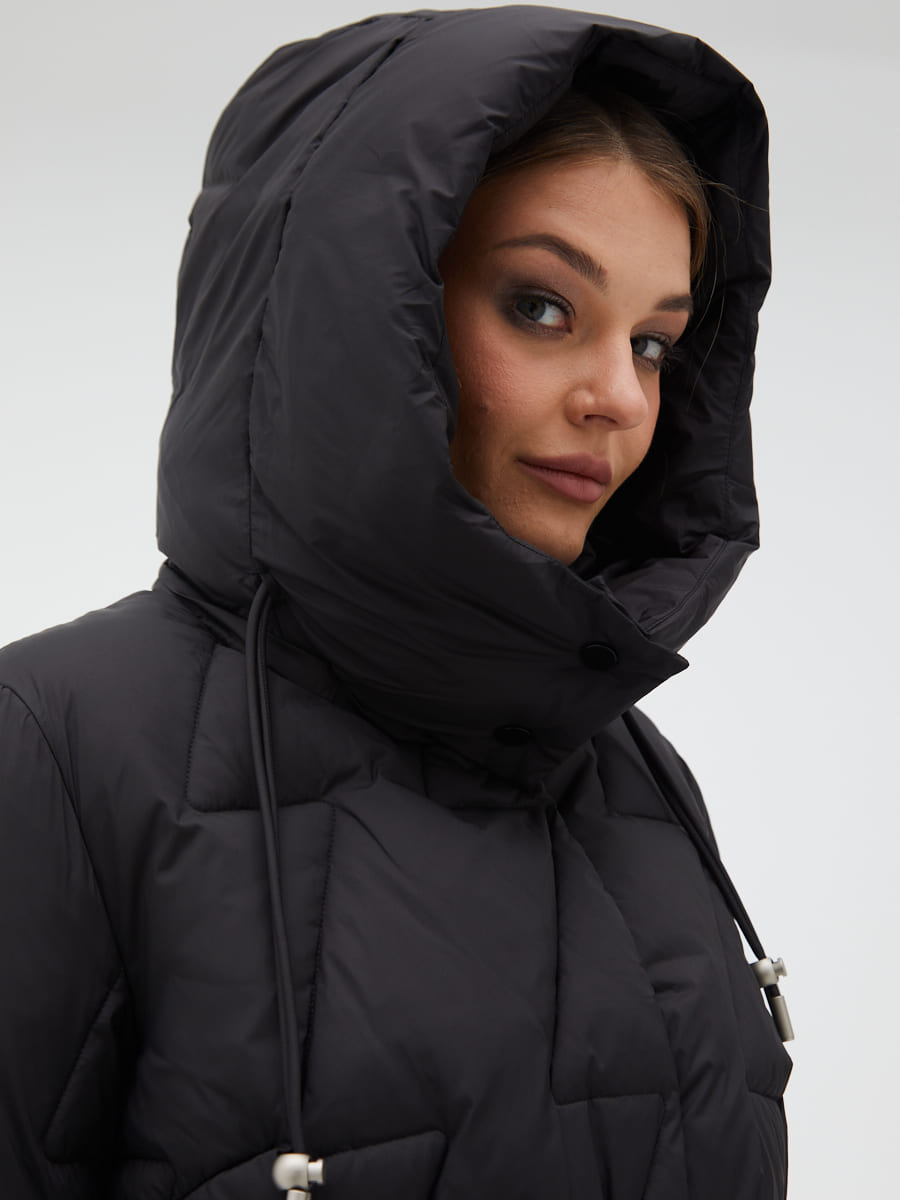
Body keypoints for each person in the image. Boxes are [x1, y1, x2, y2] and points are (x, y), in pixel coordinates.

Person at [0, 7, 793, 1198]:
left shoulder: (637, 774)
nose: (623, 399)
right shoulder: (55, 746)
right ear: (348, 314)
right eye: (541, 306)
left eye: (652, 343)